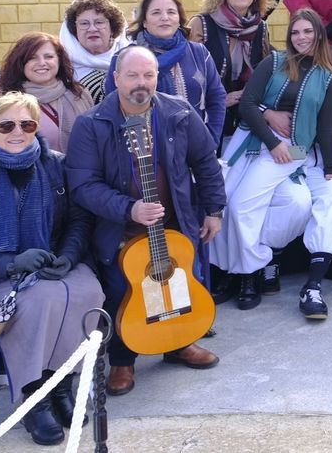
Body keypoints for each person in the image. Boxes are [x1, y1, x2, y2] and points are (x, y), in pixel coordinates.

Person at [0, 92, 105, 445]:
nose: (18, 132)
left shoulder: (54, 164)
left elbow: (78, 219)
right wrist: (9, 264)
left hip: (48, 261)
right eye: (6, 125)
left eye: (27, 124)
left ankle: (61, 383)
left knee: (87, 290)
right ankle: (33, 394)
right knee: (37, 300)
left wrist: (69, 256)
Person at [66, 46, 224, 397]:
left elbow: (205, 163)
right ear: (116, 77)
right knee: (125, 293)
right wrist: (128, 209)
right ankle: (123, 359)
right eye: (133, 75)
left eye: (149, 75)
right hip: (120, 230)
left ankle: (179, 343)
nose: (142, 82)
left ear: (157, 77)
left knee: (178, 283)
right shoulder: (92, 124)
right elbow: (82, 185)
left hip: (175, 223)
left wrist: (214, 210)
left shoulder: (179, 112)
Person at [212, 9, 332, 320]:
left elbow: (326, 128)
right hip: (252, 140)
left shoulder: (331, 78)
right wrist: (271, 140)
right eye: (297, 32)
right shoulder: (272, 62)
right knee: (225, 201)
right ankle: (227, 271)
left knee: (244, 205)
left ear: (319, 34)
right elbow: (247, 104)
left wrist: (330, 167)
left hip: (294, 150)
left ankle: (249, 272)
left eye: (308, 31)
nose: (302, 38)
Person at [106, 0, 226, 143]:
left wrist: (211, 139)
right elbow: (113, 103)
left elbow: (216, 97)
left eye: (171, 12)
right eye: (156, 13)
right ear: (144, 21)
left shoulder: (199, 53)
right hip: (145, 149)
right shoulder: (125, 58)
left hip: (195, 146)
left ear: (179, 19)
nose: (165, 18)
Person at [188, 0, 272, 139]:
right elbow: (188, 75)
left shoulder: (261, 27)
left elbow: (264, 74)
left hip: (247, 113)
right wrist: (220, 100)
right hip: (208, 116)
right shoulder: (201, 24)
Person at [0, 32, 94, 154]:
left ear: (59, 60)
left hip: (81, 171)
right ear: (20, 63)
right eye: (32, 58)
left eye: (49, 57)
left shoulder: (79, 94)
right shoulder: (8, 102)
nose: (42, 63)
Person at [59, 0, 128, 103]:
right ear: (74, 30)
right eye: (84, 23)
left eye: (99, 22)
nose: (92, 29)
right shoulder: (62, 65)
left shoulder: (130, 56)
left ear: (112, 27)